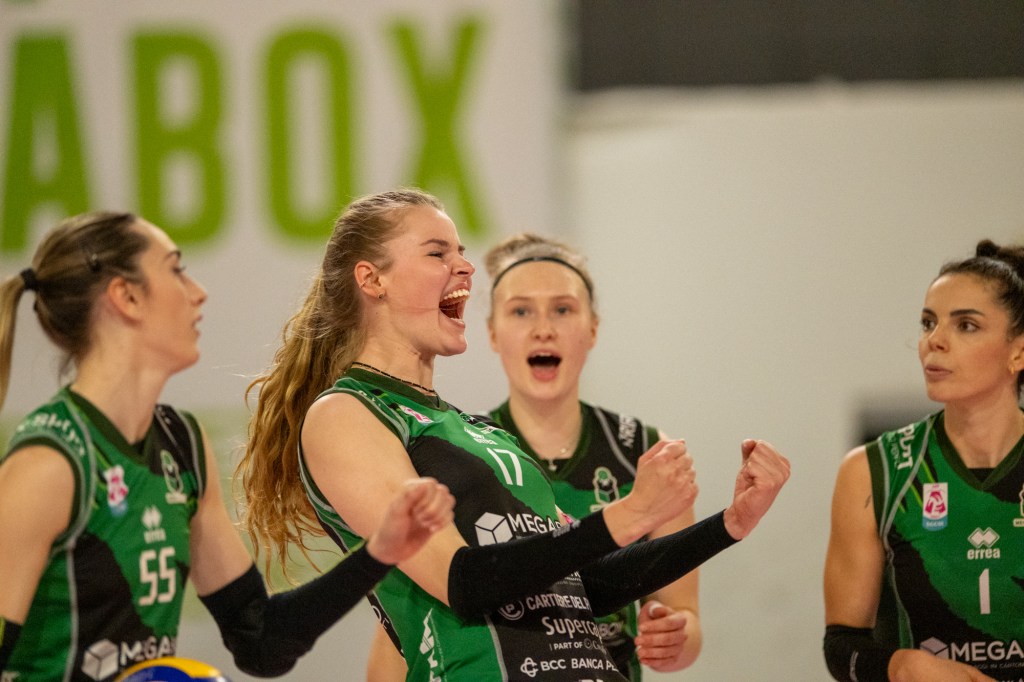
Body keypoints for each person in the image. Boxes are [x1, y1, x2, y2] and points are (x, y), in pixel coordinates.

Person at [239, 188, 791, 682]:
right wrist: (627, 515)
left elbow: (581, 589)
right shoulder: (347, 412)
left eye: (460, 252)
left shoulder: (479, 431)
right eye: (437, 253)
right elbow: (463, 583)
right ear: (372, 279)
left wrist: (729, 525)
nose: (465, 266)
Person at [0, 211, 455, 681]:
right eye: (176, 269)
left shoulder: (180, 444)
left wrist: (378, 553)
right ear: (127, 297)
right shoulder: (50, 462)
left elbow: (260, 641)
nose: (198, 291)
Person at [367, 231, 702, 681]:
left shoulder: (643, 451)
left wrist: (676, 637)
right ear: (492, 333)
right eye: (521, 311)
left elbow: (684, 617)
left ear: (592, 328)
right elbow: (402, 631)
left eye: (562, 309)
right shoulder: (449, 451)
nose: (543, 328)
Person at [823, 239, 1024, 682]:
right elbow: (841, 648)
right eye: (928, 323)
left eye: (966, 325)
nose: (935, 341)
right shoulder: (873, 471)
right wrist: (901, 666)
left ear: (1018, 352)